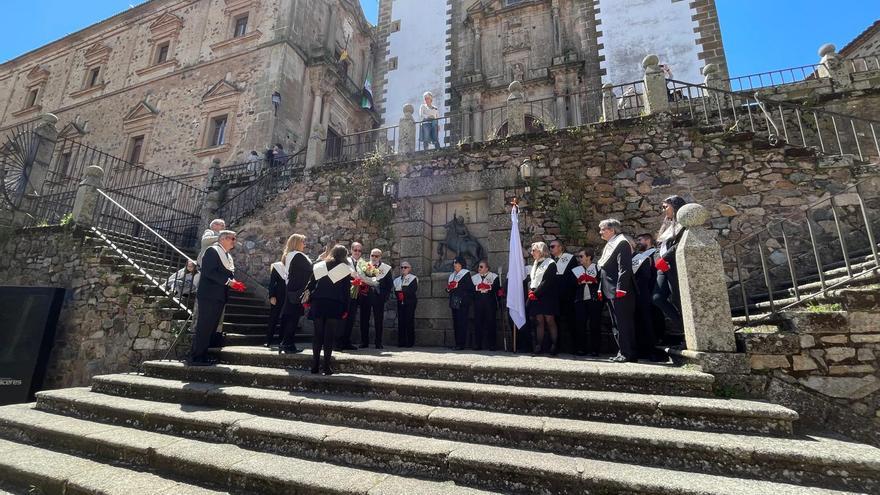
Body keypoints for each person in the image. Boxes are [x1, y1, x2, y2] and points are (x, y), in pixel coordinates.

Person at [190, 230, 245, 365]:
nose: (234, 241)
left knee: (212, 327)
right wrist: (228, 282)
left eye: (234, 239)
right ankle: (197, 357)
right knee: (205, 326)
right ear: (222, 239)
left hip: (219, 296)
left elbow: (226, 274)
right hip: (209, 295)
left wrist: (234, 283)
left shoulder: (227, 256)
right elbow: (209, 272)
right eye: (232, 238)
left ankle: (203, 354)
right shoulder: (212, 251)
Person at [305, 245, 354, 375]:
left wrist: (309, 300)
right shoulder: (344, 269)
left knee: (317, 335)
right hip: (334, 303)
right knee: (329, 336)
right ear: (344, 256)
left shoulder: (321, 265)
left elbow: (310, 285)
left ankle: (314, 366)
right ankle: (326, 367)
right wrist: (346, 309)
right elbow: (346, 292)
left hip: (318, 302)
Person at [597, 219, 637, 363]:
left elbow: (624, 268)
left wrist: (621, 288)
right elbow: (604, 268)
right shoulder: (611, 244)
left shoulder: (621, 243)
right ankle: (622, 351)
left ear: (612, 230)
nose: (600, 232)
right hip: (610, 289)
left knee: (623, 323)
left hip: (619, 290)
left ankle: (628, 353)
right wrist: (601, 287)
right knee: (615, 323)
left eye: (603, 229)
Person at [653, 195, 687, 337]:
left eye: (665, 207)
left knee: (677, 299)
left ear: (675, 206)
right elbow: (659, 247)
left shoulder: (683, 224)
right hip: (663, 267)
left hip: (673, 266)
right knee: (657, 298)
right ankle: (682, 327)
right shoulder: (666, 225)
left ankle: (687, 332)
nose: (664, 210)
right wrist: (658, 260)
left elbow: (679, 245)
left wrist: (665, 258)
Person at [280, 234, 312, 354]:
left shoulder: (291, 255)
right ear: (297, 243)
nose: (305, 244)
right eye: (303, 242)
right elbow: (311, 268)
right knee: (293, 318)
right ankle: (287, 344)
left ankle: (287, 343)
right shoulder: (298, 255)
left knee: (291, 317)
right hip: (296, 290)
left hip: (292, 289)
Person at [527, 242, 559, 354]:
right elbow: (533, 279)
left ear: (540, 251)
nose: (531, 253)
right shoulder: (535, 263)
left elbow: (547, 281)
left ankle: (554, 345)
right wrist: (531, 291)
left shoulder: (550, 263)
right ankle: (538, 346)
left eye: (534, 250)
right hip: (535, 295)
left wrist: (535, 293)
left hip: (547, 295)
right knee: (539, 320)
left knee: (549, 320)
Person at [359, 248, 393, 349]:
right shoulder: (364, 266)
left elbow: (389, 284)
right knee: (364, 320)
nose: (374, 258)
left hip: (378, 298)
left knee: (379, 320)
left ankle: (378, 343)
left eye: (376, 256)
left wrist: (384, 297)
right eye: (372, 255)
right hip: (365, 296)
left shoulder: (385, 268)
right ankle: (364, 342)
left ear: (380, 257)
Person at [633, 233, 658, 360]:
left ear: (648, 240)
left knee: (650, 321)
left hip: (650, 291)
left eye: (640, 239)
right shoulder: (640, 256)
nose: (638, 242)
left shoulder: (655, 253)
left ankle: (652, 351)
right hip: (640, 292)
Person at [572, 248, 601, 356]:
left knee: (595, 325)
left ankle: (595, 349)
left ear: (588, 257)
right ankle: (581, 349)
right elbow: (571, 286)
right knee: (580, 325)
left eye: (581, 256)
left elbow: (602, 283)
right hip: (580, 300)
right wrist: (578, 282)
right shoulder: (576, 270)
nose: (579, 259)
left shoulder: (597, 268)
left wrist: (594, 281)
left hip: (594, 300)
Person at [549, 239, 577, 350]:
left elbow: (574, 277)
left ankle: (575, 347)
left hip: (567, 296)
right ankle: (557, 346)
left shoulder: (569, 258)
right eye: (550, 247)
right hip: (554, 297)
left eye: (553, 246)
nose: (551, 248)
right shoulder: (550, 260)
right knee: (555, 323)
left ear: (560, 247)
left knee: (571, 322)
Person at [337, 242, 364, 351]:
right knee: (342, 318)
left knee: (351, 319)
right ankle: (338, 342)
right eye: (355, 250)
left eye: (359, 250)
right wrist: (352, 282)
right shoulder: (346, 262)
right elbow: (340, 277)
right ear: (351, 251)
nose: (357, 252)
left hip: (356, 295)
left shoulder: (363, 264)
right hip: (345, 294)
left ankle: (347, 341)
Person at [472, 260, 502, 351]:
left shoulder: (494, 276)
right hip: (478, 304)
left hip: (490, 304)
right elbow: (470, 289)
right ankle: (477, 344)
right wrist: (477, 287)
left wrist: (490, 287)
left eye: (481, 267)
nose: (479, 269)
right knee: (478, 324)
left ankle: (492, 345)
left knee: (491, 324)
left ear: (487, 268)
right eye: (478, 267)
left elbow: (497, 288)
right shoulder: (474, 278)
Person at [447, 256, 474, 350]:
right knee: (456, 323)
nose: (454, 264)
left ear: (461, 264)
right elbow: (451, 288)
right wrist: (448, 288)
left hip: (462, 302)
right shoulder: (452, 275)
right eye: (454, 263)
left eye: (456, 263)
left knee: (462, 322)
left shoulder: (465, 274)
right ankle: (457, 342)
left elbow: (470, 288)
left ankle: (461, 344)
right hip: (454, 301)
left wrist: (458, 286)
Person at [265, 249, 288, 347]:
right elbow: (272, 283)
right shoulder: (277, 266)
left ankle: (281, 341)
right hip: (277, 296)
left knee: (285, 319)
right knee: (273, 319)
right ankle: (268, 340)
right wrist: (272, 296)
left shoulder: (292, 268)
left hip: (288, 297)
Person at [394, 261, 419, 347]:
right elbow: (395, 291)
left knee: (409, 321)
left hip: (410, 302)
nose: (403, 269)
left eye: (405, 267)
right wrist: (399, 295)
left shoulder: (413, 278)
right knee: (401, 321)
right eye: (402, 267)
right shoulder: (397, 280)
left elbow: (413, 290)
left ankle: (410, 342)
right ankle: (401, 342)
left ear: (409, 269)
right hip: (400, 302)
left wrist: (403, 293)